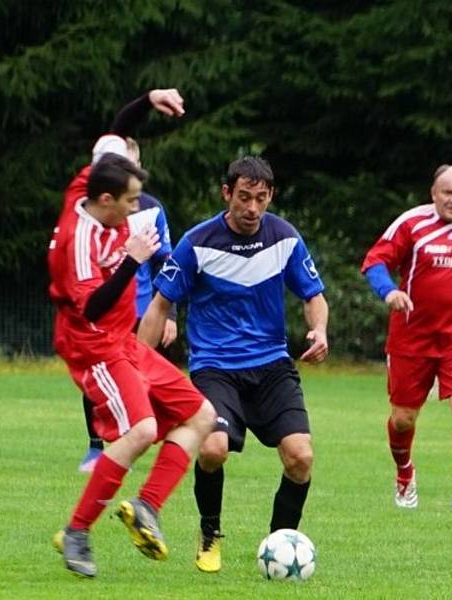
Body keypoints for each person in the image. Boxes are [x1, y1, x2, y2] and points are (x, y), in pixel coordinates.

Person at [138, 156, 329, 573]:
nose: (252, 208)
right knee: (212, 448)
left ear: (270, 196)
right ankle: (209, 534)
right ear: (227, 194)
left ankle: (281, 545)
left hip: (272, 366)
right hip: (214, 367)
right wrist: (138, 368)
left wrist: (319, 330)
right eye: (244, 197)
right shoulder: (197, 242)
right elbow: (159, 306)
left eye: (261, 199)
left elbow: (313, 296)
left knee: (300, 457)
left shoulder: (285, 237)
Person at [48, 153, 216, 578]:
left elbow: (114, 133)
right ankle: (77, 531)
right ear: (107, 199)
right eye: (132, 200)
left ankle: (145, 507)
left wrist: (147, 102)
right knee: (140, 430)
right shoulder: (78, 241)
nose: (137, 208)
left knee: (201, 415)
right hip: (95, 346)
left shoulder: (87, 187)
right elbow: (93, 310)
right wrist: (132, 260)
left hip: (124, 341)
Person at [361, 164, 452, 510]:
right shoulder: (412, 224)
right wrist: (388, 292)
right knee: (403, 418)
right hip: (412, 337)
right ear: (434, 193)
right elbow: (374, 262)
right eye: (447, 193)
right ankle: (404, 475)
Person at [65, 91, 182, 473]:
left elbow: (168, 262)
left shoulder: (151, 210)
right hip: (101, 307)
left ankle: (139, 439)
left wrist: (169, 312)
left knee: (142, 376)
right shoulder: (88, 212)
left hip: (141, 309)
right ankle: (97, 446)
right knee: (99, 374)